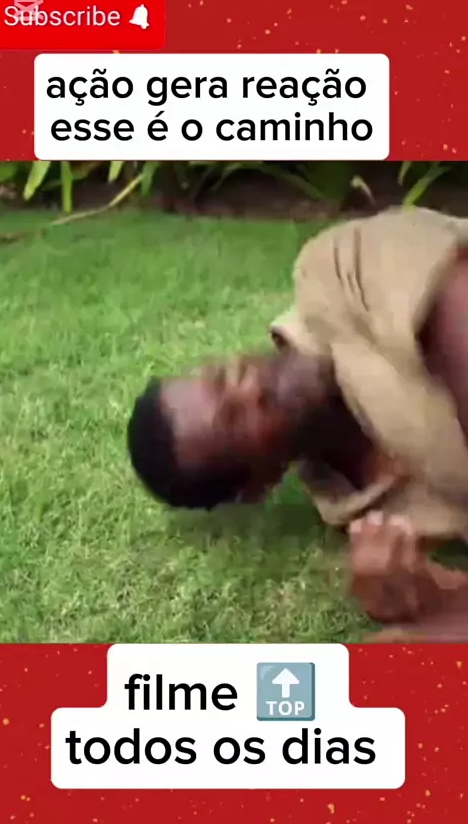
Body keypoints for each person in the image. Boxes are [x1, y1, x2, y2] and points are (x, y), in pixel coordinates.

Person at [127, 207, 468, 640]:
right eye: (235, 421)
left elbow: (457, 296)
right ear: (258, 483)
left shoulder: (333, 273)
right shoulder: (358, 509)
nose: (251, 389)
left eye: (223, 378)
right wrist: (430, 598)